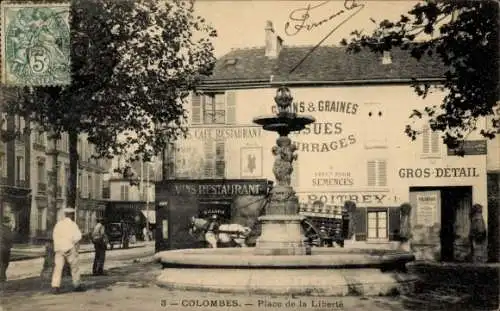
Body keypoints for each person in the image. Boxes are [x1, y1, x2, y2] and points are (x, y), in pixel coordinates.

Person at [51, 207, 85, 294]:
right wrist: (72, 241)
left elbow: (54, 236)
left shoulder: (58, 224)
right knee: (74, 267)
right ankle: (76, 285)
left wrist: (58, 246)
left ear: (65, 215)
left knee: (58, 268)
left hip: (59, 249)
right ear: (71, 215)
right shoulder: (73, 225)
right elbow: (78, 237)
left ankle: (55, 286)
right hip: (70, 248)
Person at [0, 216, 13, 282]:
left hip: (5, 248)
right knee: (4, 263)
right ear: (6, 222)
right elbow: (9, 238)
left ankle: (3, 276)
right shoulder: (5, 229)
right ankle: (2, 277)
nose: (10, 223)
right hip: (4, 248)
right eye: (9, 221)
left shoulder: (6, 228)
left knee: (4, 263)